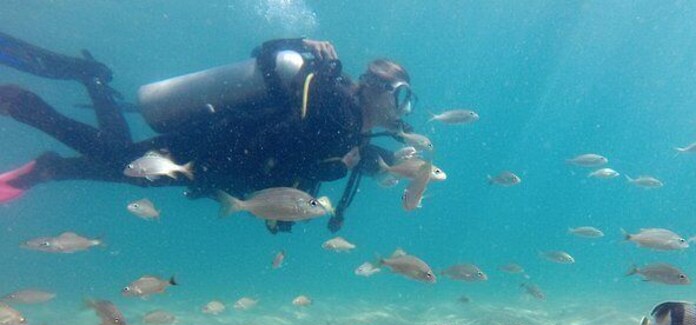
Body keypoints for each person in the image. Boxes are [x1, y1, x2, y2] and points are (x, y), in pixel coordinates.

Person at [0, 32, 417, 232]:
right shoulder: (334, 106)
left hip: (217, 168)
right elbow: (293, 148)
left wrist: (373, 163)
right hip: (211, 150)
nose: (403, 109)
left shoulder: (352, 128)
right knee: (122, 161)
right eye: (400, 97)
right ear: (377, 91)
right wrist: (335, 168)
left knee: (124, 166)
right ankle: (32, 108)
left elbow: (322, 154)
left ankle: (51, 165)